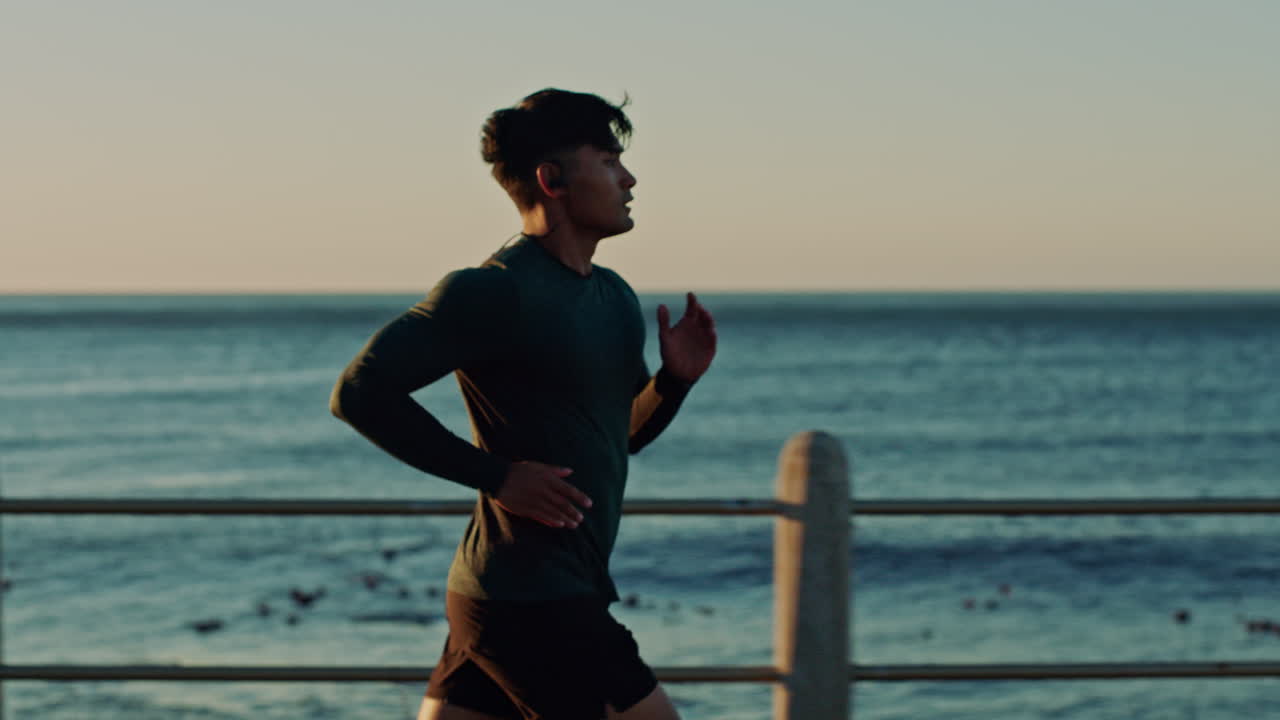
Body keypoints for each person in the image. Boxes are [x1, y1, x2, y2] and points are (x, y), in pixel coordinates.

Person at [330, 88, 717, 720]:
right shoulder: (491, 292)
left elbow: (616, 436)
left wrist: (674, 382)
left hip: (509, 593)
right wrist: (498, 476)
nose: (629, 178)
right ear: (553, 179)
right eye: (609, 161)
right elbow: (359, 392)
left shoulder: (615, 299)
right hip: (533, 601)